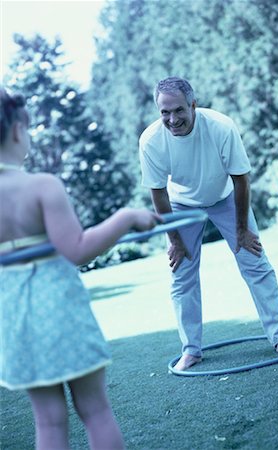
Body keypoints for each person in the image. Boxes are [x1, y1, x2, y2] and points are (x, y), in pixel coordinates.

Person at [0, 87, 161, 450]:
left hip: (14, 321)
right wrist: (126, 217)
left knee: (48, 422)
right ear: (15, 131)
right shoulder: (42, 186)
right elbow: (77, 250)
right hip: (59, 312)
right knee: (95, 409)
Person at [139, 76, 278, 371]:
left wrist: (241, 230)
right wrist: (174, 240)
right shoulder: (151, 141)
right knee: (181, 274)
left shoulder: (221, 127)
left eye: (178, 111)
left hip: (225, 196)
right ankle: (191, 349)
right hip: (181, 204)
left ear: (193, 106)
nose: (172, 119)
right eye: (165, 112)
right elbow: (158, 194)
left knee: (255, 261)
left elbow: (241, 179)